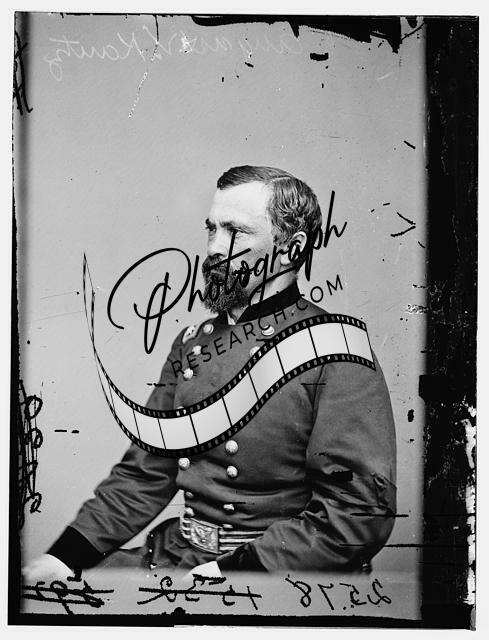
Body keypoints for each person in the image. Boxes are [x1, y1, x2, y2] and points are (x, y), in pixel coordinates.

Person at [23, 165, 396, 580]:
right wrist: (65, 556)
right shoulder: (191, 344)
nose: (215, 248)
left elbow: (358, 511)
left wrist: (234, 570)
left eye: (236, 232)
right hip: (177, 554)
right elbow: (145, 474)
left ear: (292, 249)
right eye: (212, 229)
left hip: (270, 571)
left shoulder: (335, 351)